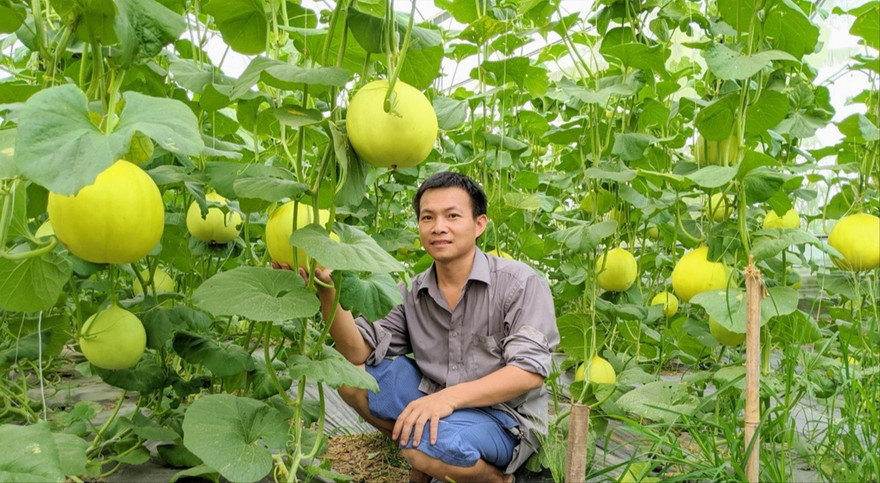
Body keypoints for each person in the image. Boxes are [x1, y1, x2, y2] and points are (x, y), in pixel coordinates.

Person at [294, 172, 559, 483]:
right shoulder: (412, 290)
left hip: (504, 417)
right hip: (436, 399)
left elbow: (528, 372)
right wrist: (326, 291)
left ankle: (496, 479)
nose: (438, 227)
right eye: (427, 217)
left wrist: (448, 398)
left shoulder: (520, 282)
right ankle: (433, 456)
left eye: (452, 216)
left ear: (479, 224)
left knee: (419, 448)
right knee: (351, 379)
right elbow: (356, 352)